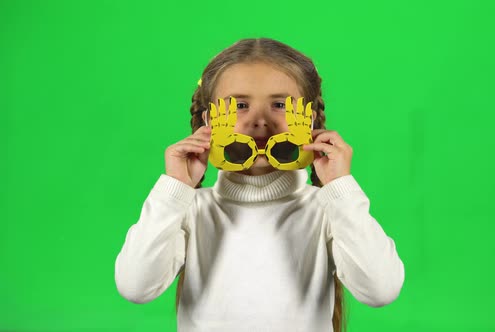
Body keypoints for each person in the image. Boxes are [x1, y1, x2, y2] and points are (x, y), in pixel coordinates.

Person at [115, 38, 405, 332]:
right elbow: (135, 286)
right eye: (240, 105)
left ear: (312, 119)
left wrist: (340, 188)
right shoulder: (191, 210)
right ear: (208, 120)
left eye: (280, 104)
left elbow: (381, 289)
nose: (259, 121)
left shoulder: (326, 210)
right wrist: (175, 188)